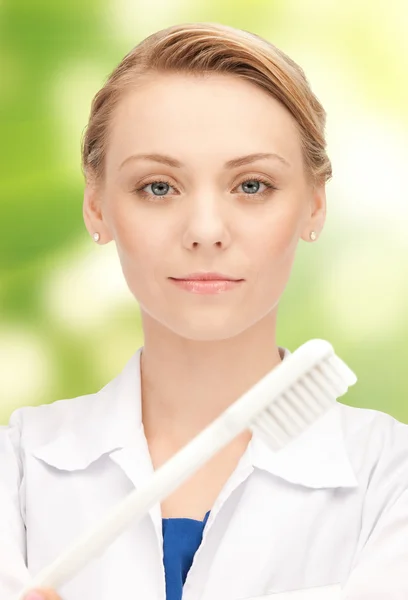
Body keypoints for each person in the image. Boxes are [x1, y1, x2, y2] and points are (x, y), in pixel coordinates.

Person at [1, 21, 407, 600]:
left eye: (252, 185)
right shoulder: (15, 471)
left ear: (315, 205)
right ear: (97, 207)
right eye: (159, 187)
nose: (206, 232)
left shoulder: (392, 477)